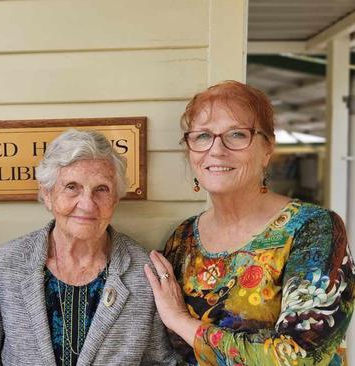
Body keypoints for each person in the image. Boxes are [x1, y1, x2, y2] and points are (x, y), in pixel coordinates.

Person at [144, 80, 355, 365]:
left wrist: (180, 320)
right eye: (203, 136)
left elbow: (299, 358)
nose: (216, 149)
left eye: (237, 134)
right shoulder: (183, 240)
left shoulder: (313, 229)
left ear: (267, 149)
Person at [0, 129, 177, 365]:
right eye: (72, 187)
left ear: (116, 199)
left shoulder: (143, 273)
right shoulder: (7, 264)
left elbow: (161, 362)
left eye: (101, 189)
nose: (87, 205)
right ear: (47, 194)